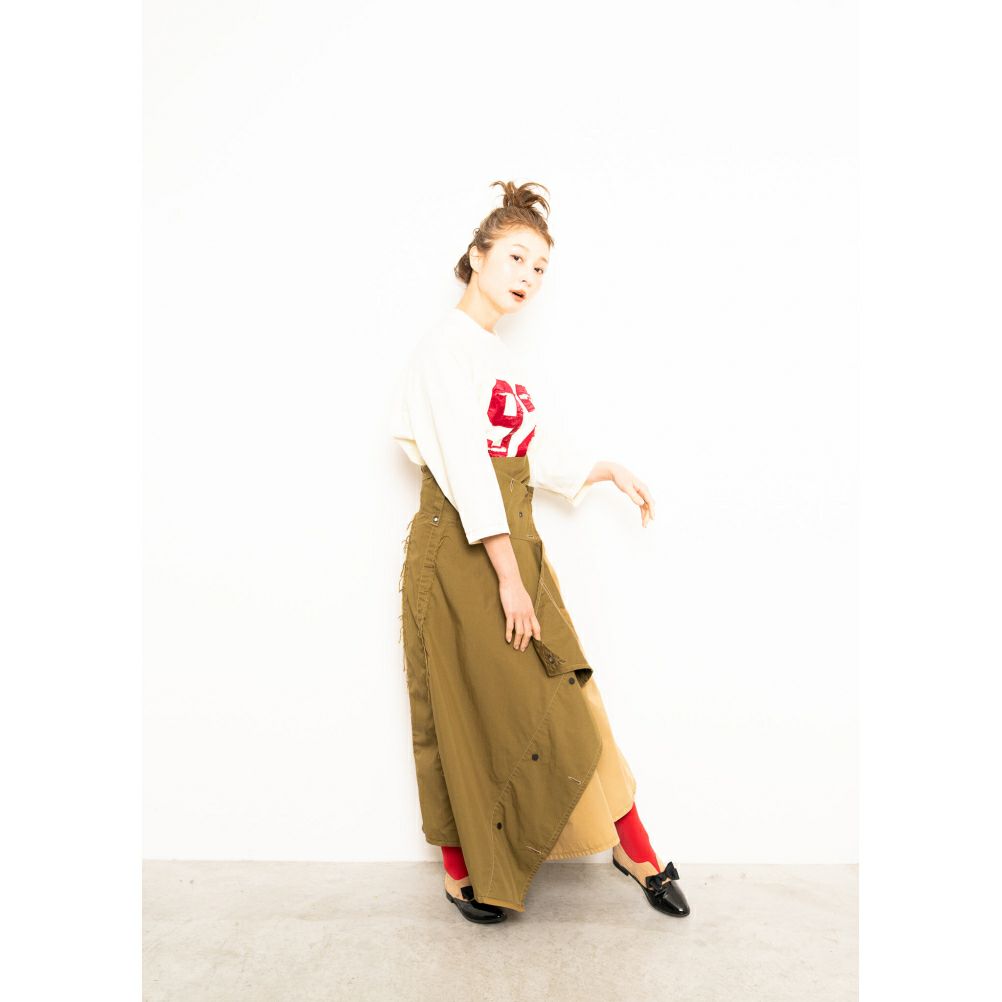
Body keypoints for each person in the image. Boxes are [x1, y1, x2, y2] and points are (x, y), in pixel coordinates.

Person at [388, 180, 690, 923]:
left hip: (512, 544)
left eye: (541, 267)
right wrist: (508, 578)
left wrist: (604, 469)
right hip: (461, 553)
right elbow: (466, 469)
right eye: (516, 257)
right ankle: (461, 868)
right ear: (477, 255)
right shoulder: (444, 350)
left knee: (570, 693)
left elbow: (527, 453)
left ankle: (633, 845)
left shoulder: (494, 354)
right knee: (457, 707)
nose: (528, 276)